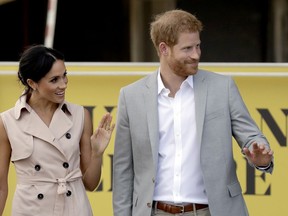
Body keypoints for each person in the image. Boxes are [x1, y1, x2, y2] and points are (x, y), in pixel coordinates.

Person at [112, 9, 274, 216]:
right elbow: (123, 170)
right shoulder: (131, 96)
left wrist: (261, 158)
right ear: (164, 49)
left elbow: (251, 136)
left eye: (198, 46)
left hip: (212, 211)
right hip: (154, 211)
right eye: (187, 48)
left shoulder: (222, 87)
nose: (196, 54)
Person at [0, 44, 115, 216]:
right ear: (32, 83)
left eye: (65, 76)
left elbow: (90, 184)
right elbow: (1, 187)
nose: (63, 85)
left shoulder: (79, 115)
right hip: (30, 210)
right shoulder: (7, 121)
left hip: (74, 209)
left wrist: (97, 153)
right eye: (54, 80)